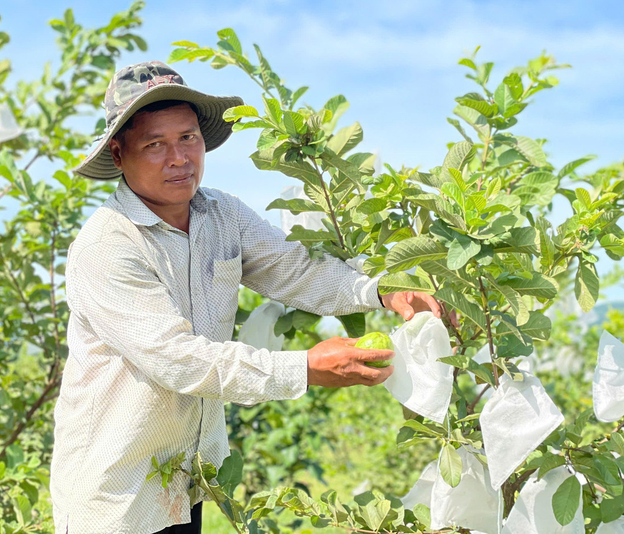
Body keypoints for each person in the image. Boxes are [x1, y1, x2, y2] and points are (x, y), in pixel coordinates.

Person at [50, 61, 445, 534]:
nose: (179, 158)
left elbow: (296, 270)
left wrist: (382, 290)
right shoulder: (106, 247)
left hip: (185, 480)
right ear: (118, 153)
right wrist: (307, 368)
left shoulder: (221, 215)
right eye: (155, 144)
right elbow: (180, 360)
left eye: (188, 138)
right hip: (117, 494)